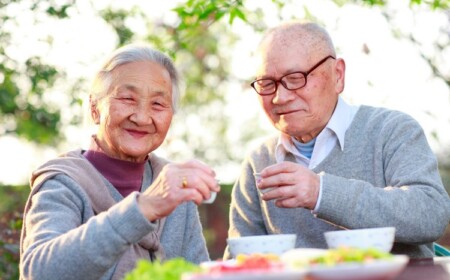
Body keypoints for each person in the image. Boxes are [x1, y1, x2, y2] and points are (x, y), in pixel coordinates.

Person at [225, 20, 450, 259]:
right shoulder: (259, 160)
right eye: (267, 84)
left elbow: (430, 215)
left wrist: (321, 192)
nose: (280, 97)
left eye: (295, 78)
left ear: (338, 75)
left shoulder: (392, 130)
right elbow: (242, 262)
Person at [20, 43, 220, 280]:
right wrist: (144, 208)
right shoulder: (64, 183)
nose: (142, 117)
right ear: (95, 109)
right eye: (127, 98)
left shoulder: (174, 186)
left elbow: (197, 273)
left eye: (157, 104)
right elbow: (40, 273)